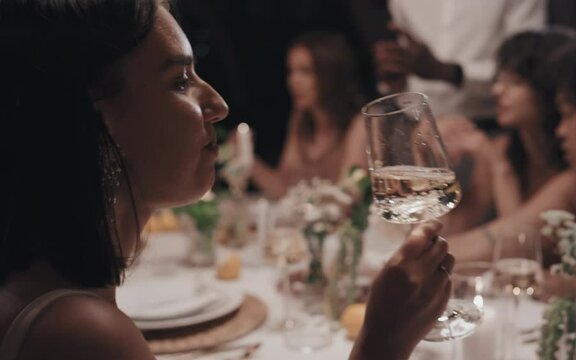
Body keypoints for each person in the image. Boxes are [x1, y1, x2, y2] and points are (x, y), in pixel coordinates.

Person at [0, 1, 453, 359]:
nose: (217, 105)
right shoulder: (81, 333)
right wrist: (384, 341)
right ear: (100, 115)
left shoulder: (46, 291)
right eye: (179, 81)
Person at [449, 28, 576, 316]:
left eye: (569, 114)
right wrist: (401, 262)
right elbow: (500, 240)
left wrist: (569, 287)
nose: (560, 130)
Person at [439, 29, 573, 234]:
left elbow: (522, 244)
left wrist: (500, 168)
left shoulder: (574, 158)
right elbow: (453, 231)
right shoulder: (502, 148)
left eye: (515, 82)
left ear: (548, 91)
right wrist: (437, 164)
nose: (497, 90)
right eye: (499, 80)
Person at [374, 0, 546, 120]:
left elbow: (526, 66)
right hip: (417, 127)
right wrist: (396, 81)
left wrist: (450, 72)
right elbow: (408, 57)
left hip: (490, 126)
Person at [248, 31, 369, 198]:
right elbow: (282, 189)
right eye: (291, 71)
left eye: (306, 71)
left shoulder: (359, 123)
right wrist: (246, 157)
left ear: (331, 74)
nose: (293, 81)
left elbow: (348, 197)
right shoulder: (300, 120)